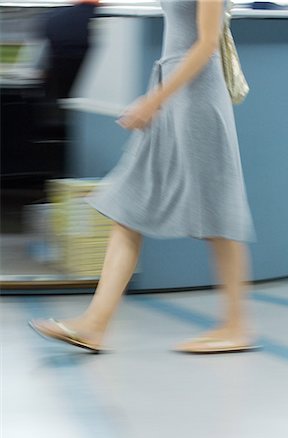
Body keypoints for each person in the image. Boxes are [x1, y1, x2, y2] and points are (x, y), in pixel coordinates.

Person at [29, 0, 261, 354]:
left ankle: (237, 325)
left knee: (217, 207)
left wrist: (153, 101)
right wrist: (159, 98)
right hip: (171, 90)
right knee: (130, 204)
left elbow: (205, 45)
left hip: (196, 96)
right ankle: (95, 324)